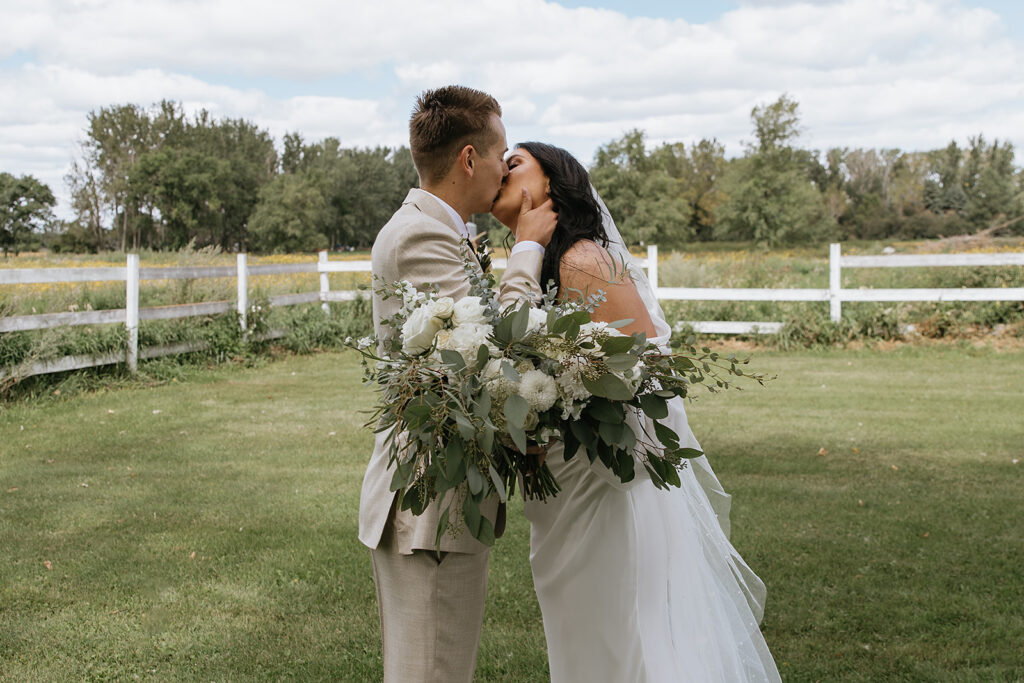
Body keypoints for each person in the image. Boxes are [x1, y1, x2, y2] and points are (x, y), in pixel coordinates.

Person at [491, 142, 782, 682]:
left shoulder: (584, 260)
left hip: (601, 484)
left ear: (550, 183)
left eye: (513, 164)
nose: (498, 171)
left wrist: (570, 396)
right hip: (560, 479)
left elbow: (646, 370)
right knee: (580, 630)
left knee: (614, 633)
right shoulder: (535, 266)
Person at [358, 87, 558, 683]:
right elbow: (490, 351)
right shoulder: (422, 235)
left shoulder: (441, 230)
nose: (504, 169)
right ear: (469, 159)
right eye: (500, 154)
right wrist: (526, 249)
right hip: (431, 502)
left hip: (437, 503)